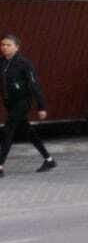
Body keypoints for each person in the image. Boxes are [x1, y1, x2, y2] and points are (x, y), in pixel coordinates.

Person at [0, 33, 55, 176]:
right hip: (10, 103)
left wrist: (41, 106)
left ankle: (0, 166)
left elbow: (34, 85)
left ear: (16, 47)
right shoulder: (2, 62)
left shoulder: (24, 63)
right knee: (28, 131)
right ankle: (49, 159)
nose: (4, 47)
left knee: (8, 130)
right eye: (3, 45)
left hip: (23, 101)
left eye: (8, 45)